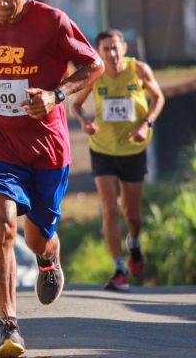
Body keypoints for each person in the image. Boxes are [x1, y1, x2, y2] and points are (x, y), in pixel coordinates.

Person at [0, 0, 104, 358]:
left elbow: (93, 64)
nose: (0, 2)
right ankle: (9, 327)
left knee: (36, 238)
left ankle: (49, 257)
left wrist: (55, 95)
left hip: (47, 151)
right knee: (1, 227)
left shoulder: (52, 22)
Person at [71, 29, 164, 292]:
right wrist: (84, 122)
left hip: (134, 149)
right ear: (98, 52)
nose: (111, 54)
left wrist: (146, 124)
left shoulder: (139, 70)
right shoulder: (95, 74)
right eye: (105, 49)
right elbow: (76, 105)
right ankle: (119, 268)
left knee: (131, 215)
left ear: (124, 48)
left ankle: (133, 243)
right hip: (102, 149)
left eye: (115, 48)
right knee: (110, 209)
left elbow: (159, 98)